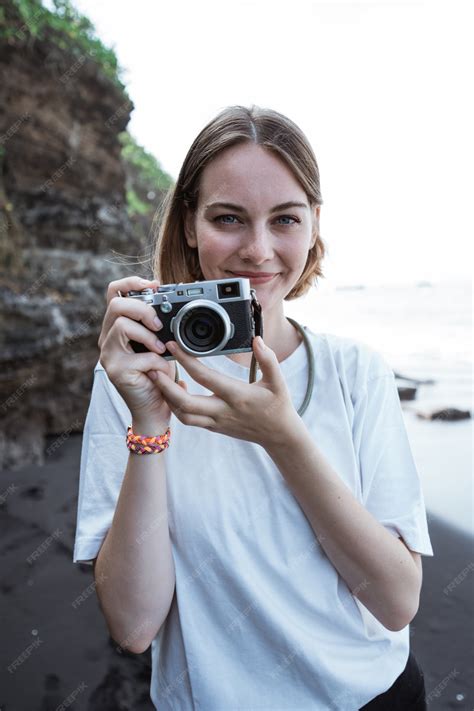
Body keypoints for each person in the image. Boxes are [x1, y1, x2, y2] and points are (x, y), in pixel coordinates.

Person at [73, 104, 434, 710]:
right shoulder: (133, 379)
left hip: (376, 696)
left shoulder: (355, 373)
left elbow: (397, 602)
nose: (259, 250)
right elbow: (133, 628)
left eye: (285, 219)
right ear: (189, 224)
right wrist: (149, 423)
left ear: (314, 225)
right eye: (228, 218)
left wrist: (283, 438)